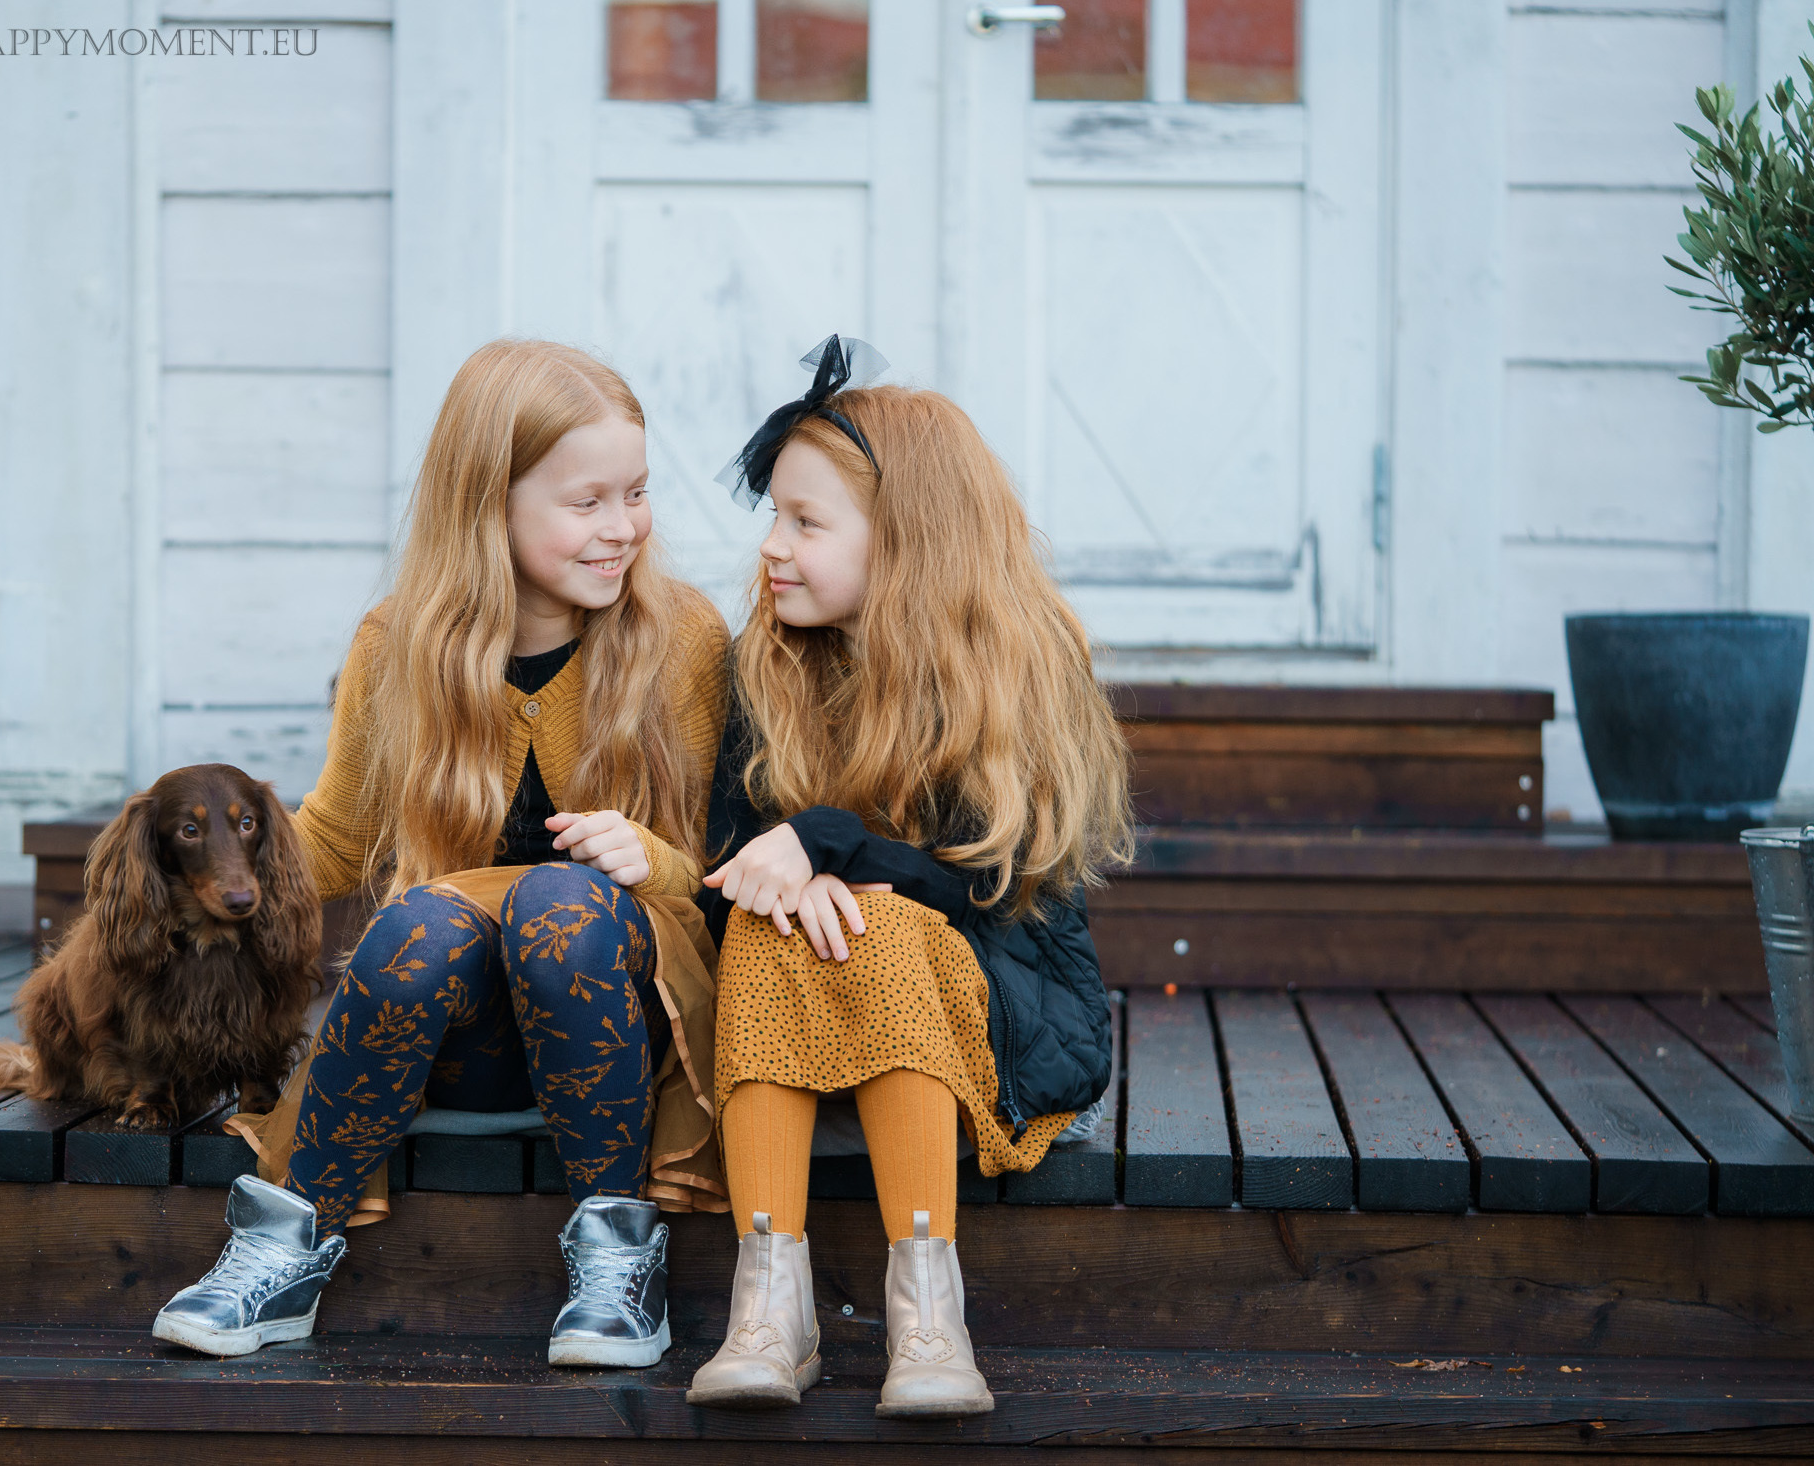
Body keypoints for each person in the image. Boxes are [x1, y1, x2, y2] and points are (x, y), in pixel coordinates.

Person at [151, 339, 733, 1369]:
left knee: (561, 899)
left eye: (635, 493)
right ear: (487, 502)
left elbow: (722, 864)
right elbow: (331, 836)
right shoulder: (398, 645)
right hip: (455, 1029)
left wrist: (651, 853)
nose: (622, 526)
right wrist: (184, 879)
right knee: (420, 917)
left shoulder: (681, 638)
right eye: (587, 500)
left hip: (630, 1028)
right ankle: (284, 1245)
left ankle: (616, 1258)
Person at [685, 338, 1131, 1419]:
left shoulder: (1010, 666)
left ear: (907, 540)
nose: (772, 548)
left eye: (805, 521)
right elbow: (723, 871)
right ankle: (768, 1303)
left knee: (879, 924)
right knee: (767, 918)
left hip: (993, 1010)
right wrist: (794, 876)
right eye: (774, 517)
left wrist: (831, 842)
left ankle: (929, 1309)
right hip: (794, 1011)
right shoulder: (765, 663)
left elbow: (989, 886)